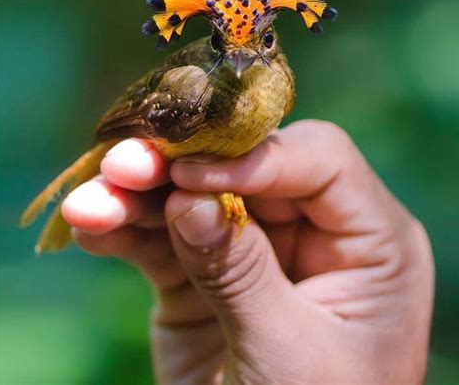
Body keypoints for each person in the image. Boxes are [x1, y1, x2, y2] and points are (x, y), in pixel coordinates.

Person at [62, 121, 434, 384]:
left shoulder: (277, 87)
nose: (240, 58)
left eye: (264, 41)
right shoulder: (204, 84)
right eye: (224, 45)